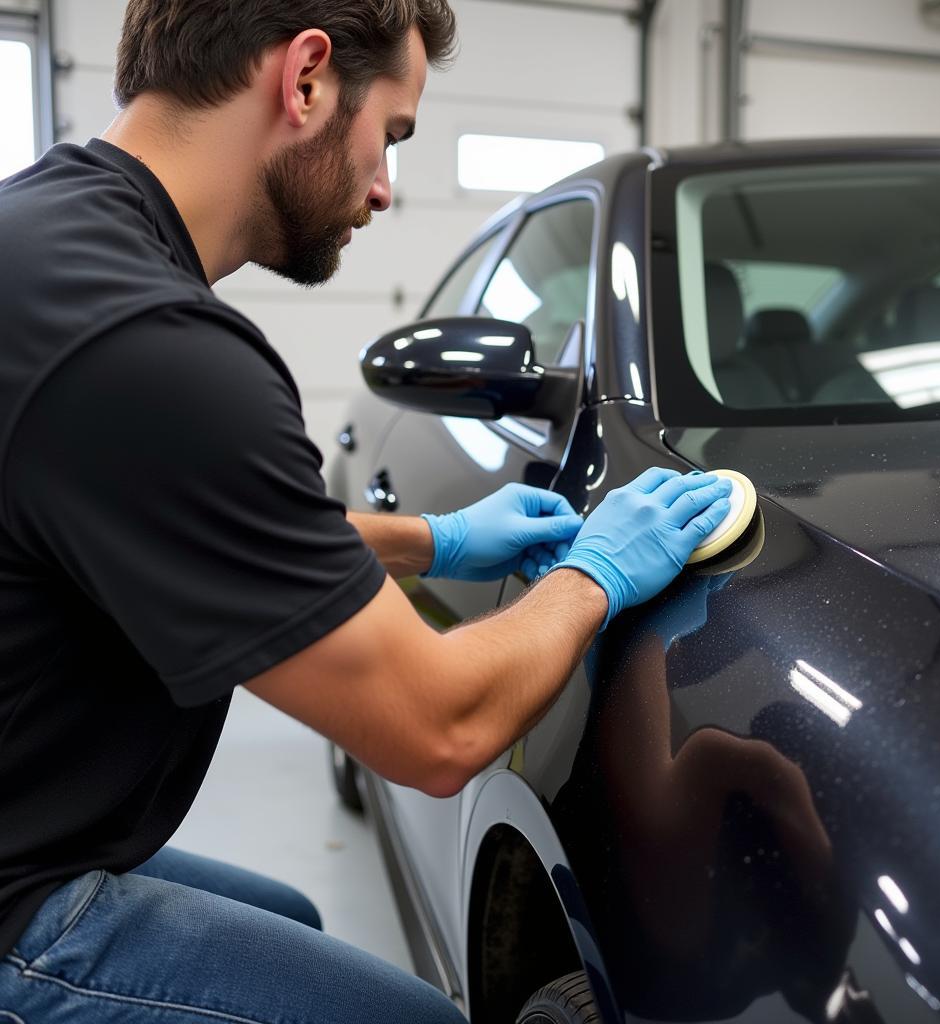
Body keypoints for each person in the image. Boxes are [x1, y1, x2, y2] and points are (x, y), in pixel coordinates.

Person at [0, 1, 733, 1020]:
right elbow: (437, 726)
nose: (385, 188)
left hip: (32, 827)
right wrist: (593, 576)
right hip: (16, 899)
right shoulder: (149, 346)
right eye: (389, 134)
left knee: (291, 915)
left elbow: (165, 528)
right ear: (303, 81)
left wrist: (437, 539)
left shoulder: (48, 239)